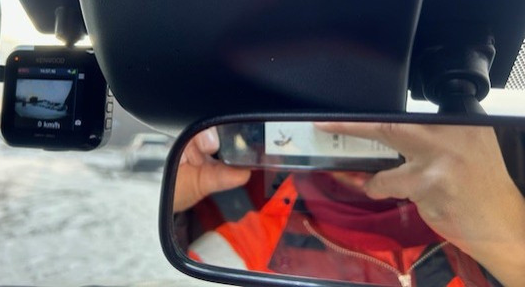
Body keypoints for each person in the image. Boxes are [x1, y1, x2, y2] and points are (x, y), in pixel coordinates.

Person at [174, 122, 525, 287]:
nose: (359, 136)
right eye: (339, 130)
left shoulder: (490, 211)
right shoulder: (239, 255)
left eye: (382, 118)